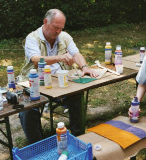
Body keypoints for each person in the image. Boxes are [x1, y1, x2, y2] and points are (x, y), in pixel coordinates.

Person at [18, 9, 99, 144]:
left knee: (77, 95)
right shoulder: (32, 38)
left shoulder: (64, 36)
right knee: (28, 109)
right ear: (45, 22)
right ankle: (38, 146)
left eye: (61, 29)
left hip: (59, 81)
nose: (58, 32)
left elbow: (76, 54)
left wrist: (84, 67)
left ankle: (78, 138)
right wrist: (59, 58)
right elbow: (36, 60)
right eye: (56, 27)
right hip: (35, 82)